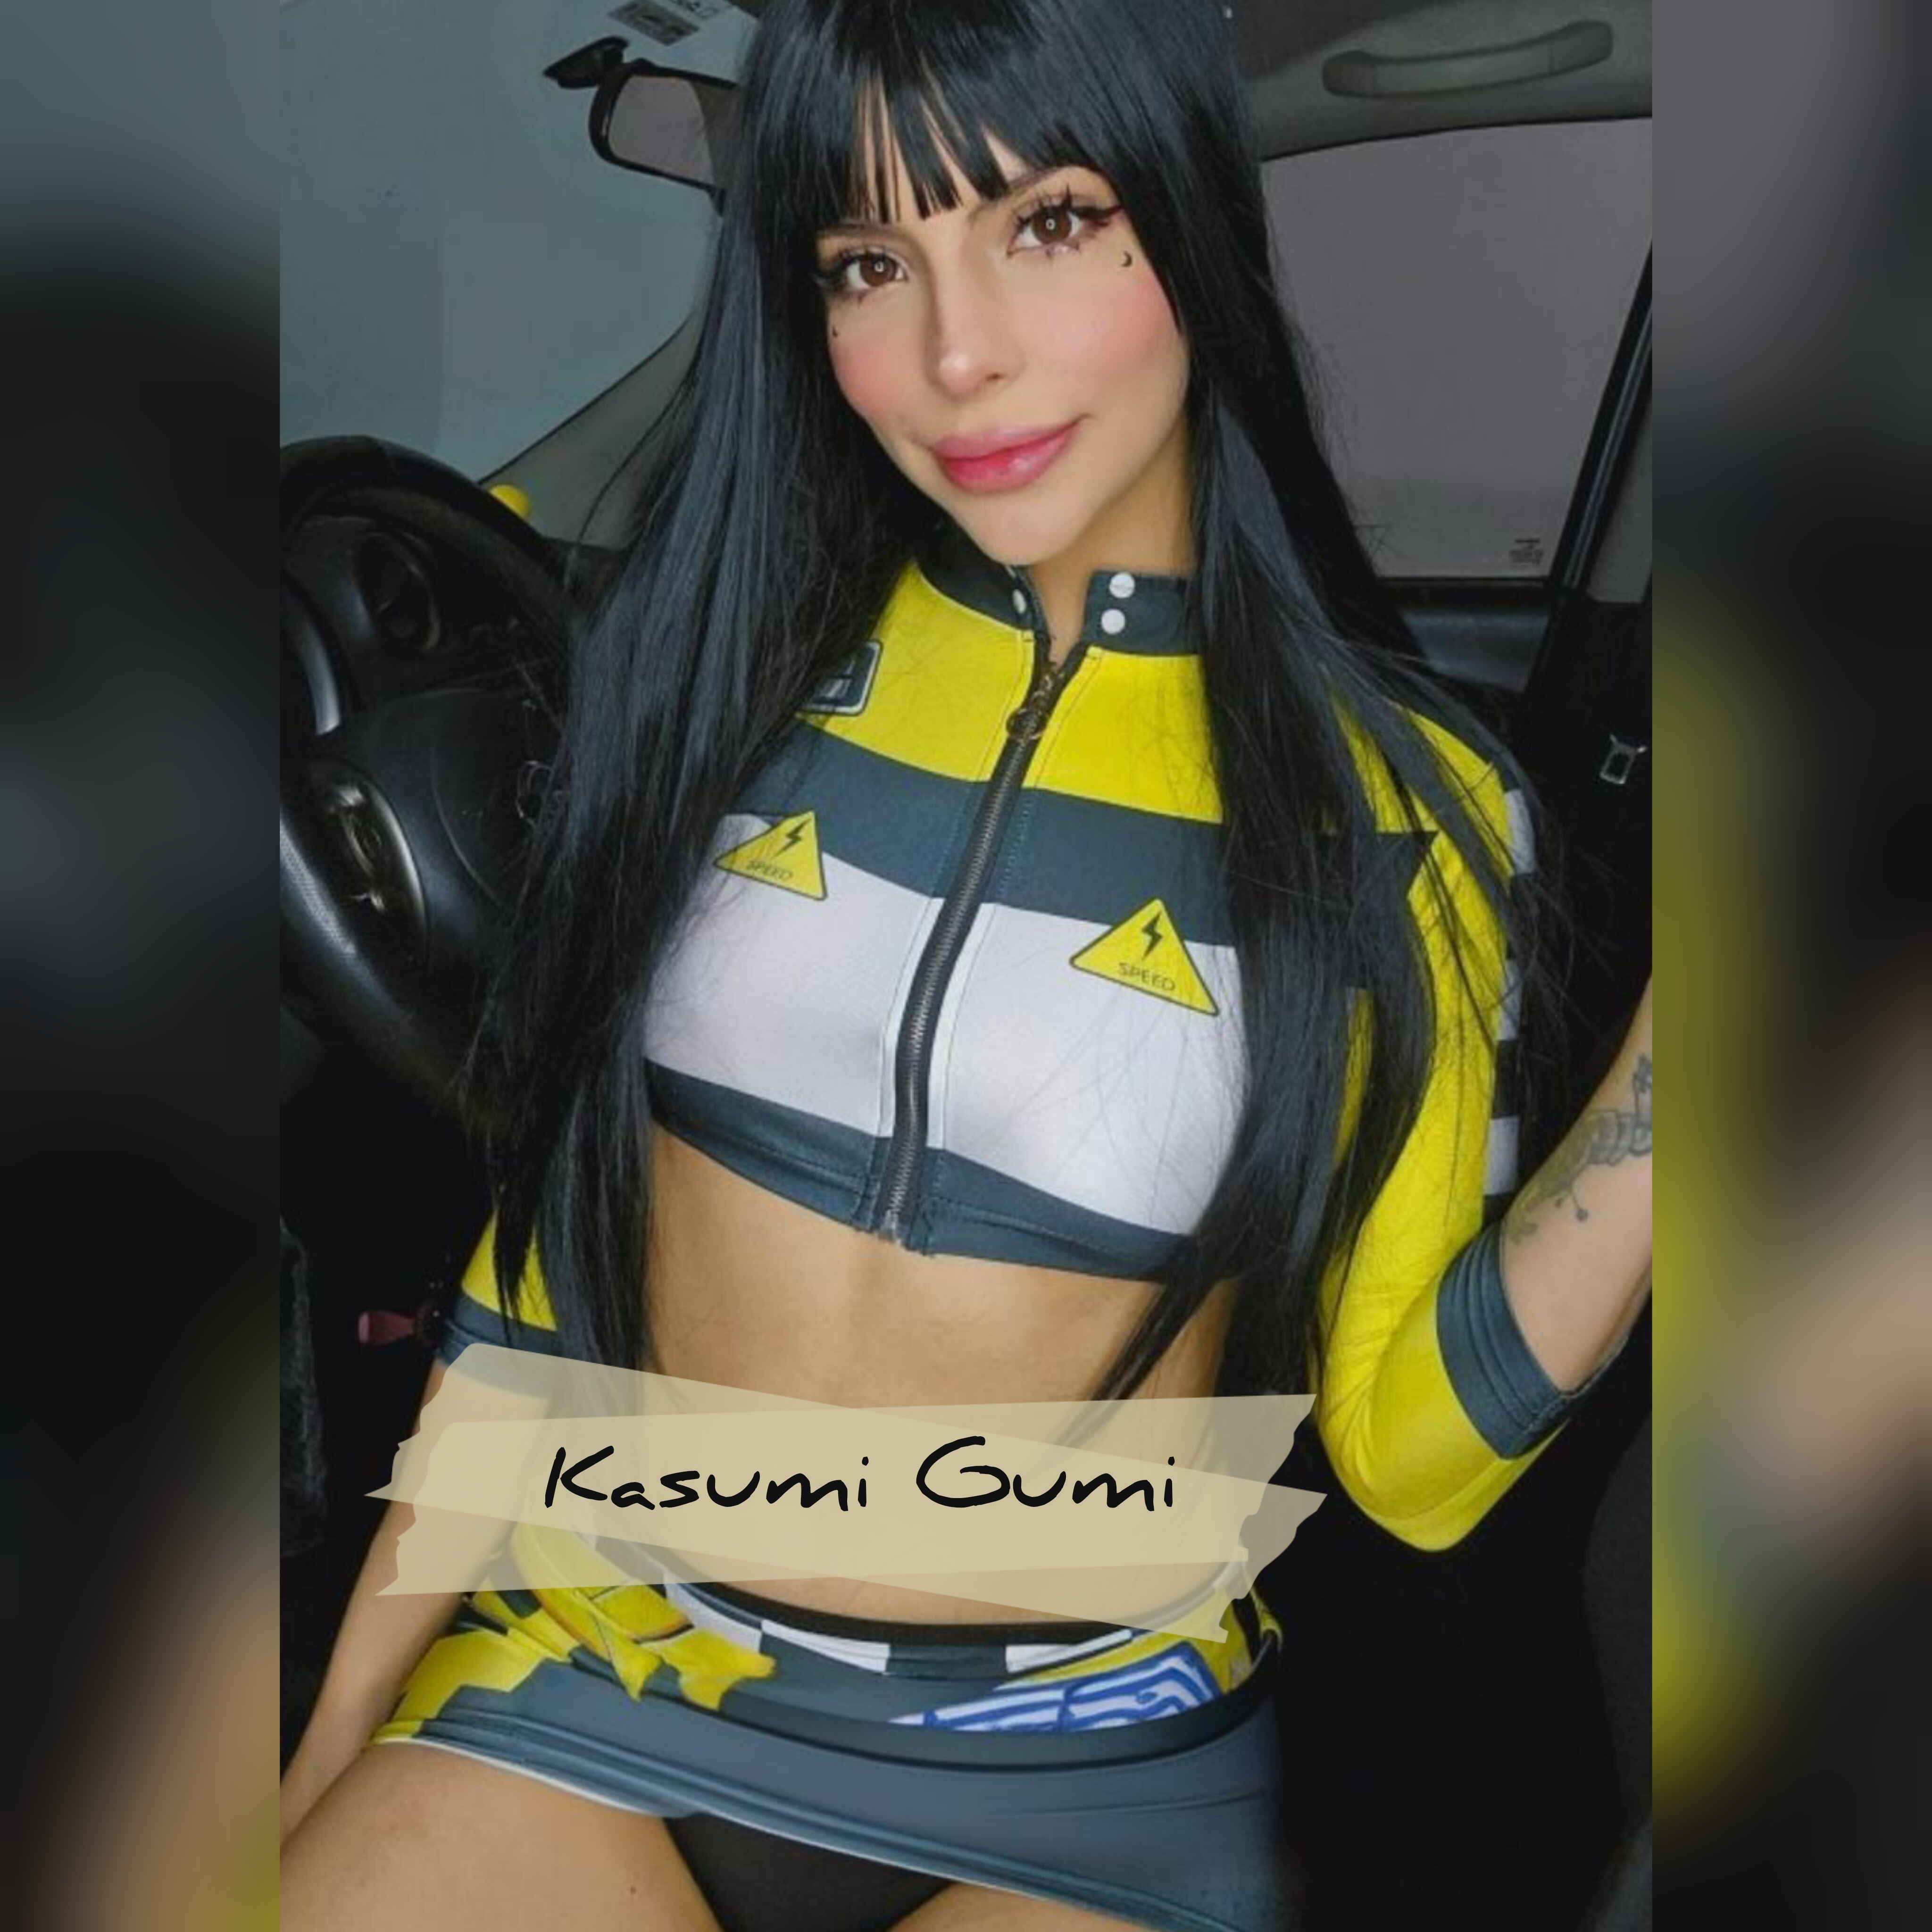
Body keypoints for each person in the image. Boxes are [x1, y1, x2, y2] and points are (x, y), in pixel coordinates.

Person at [280, 2, 1653, 1927]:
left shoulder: (1406, 812)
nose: (953, 353)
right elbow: (542, 1298)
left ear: (1188, 226)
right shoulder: (721, 673)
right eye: (870, 261)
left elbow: (1413, 1458)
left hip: (1095, 1762)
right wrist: (324, 1758)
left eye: (1048, 222)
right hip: (601, 1667)